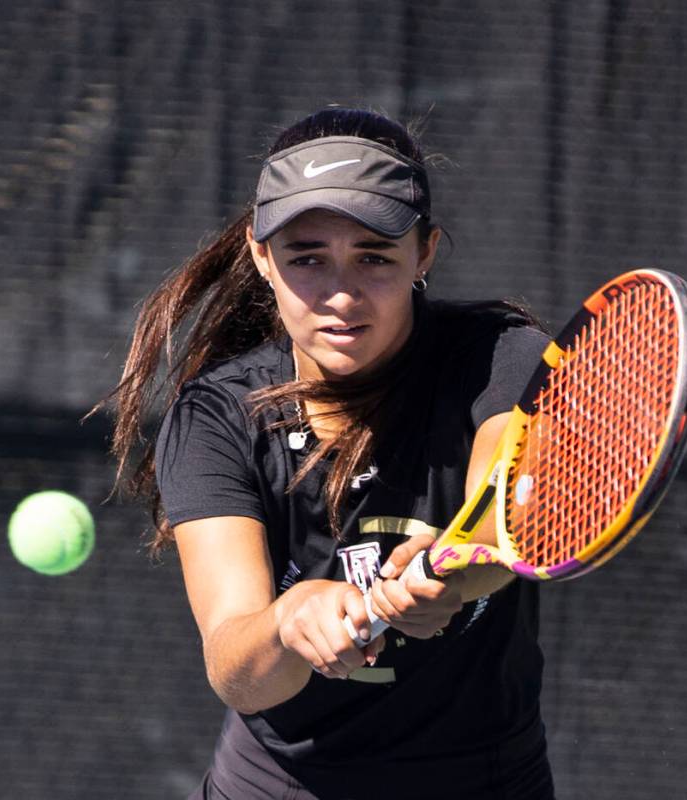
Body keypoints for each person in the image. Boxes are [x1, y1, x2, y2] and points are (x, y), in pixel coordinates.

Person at [105, 107, 556, 799]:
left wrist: (453, 569)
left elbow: (505, 514)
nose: (341, 295)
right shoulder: (215, 418)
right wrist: (287, 624)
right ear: (261, 258)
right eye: (307, 257)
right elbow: (236, 667)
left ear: (424, 253)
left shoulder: (500, 359)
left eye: (373, 257)